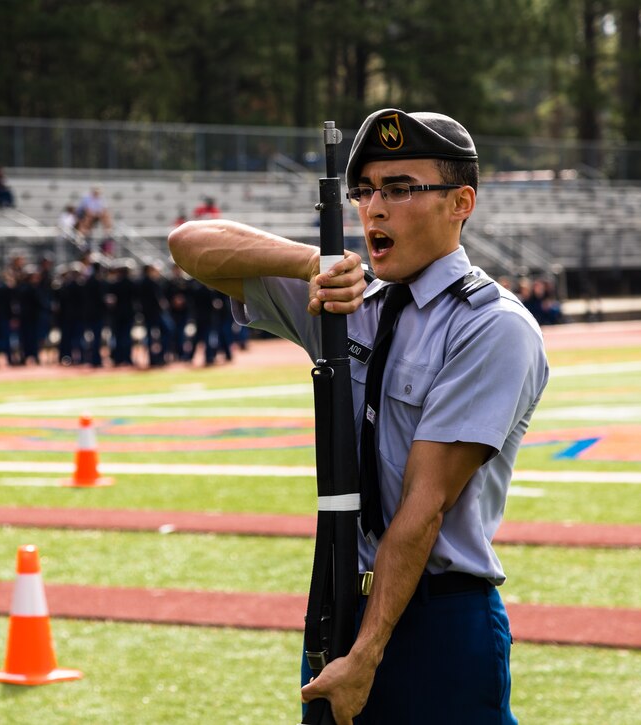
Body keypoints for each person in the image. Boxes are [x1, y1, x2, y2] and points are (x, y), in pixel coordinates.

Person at [169, 108, 549, 724]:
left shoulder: (491, 325)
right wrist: (307, 263)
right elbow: (188, 244)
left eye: (400, 190)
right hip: (338, 601)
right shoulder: (347, 298)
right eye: (364, 191)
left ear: (461, 202)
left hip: (435, 617)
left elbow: (424, 508)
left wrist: (367, 655)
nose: (374, 208)